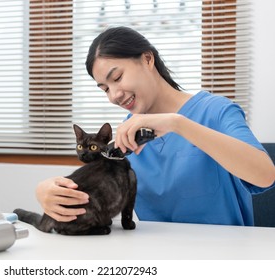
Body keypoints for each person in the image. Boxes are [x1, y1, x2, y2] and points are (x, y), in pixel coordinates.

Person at [35, 26, 275, 226]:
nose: (114, 95)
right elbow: (93, 188)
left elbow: (265, 175)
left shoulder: (216, 111)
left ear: (147, 59)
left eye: (117, 78)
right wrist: (47, 191)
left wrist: (177, 123)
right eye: (105, 88)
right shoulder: (127, 137)